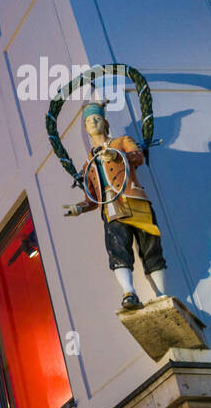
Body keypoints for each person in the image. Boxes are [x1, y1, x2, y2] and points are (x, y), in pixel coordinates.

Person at [63, 102, 165, 310]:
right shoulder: (89, 163)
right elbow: (92, 197)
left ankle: (161, 294)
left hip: (134, 199)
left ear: (105, 122)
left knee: (150, 245)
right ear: (86, 128)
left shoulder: (121, 142)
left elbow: (138, 157)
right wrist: (80, 208)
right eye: (89, 121)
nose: (93, 122)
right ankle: (129, 292)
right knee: (117, 250)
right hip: (111, 209)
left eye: (97, 118)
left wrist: (117, 156)